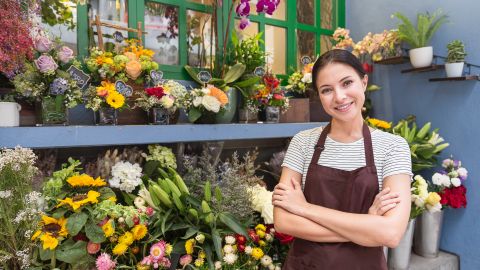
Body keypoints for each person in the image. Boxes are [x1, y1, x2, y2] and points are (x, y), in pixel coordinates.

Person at [272, 49, 412, 269]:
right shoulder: (302, 143)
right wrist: (366, 226)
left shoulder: (393, 147)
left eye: (347, 83)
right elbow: (284, 221)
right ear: (319, 95)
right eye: (327, 90)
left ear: (364, 82)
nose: (339, 97)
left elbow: (391, 233)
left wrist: (304, 209)